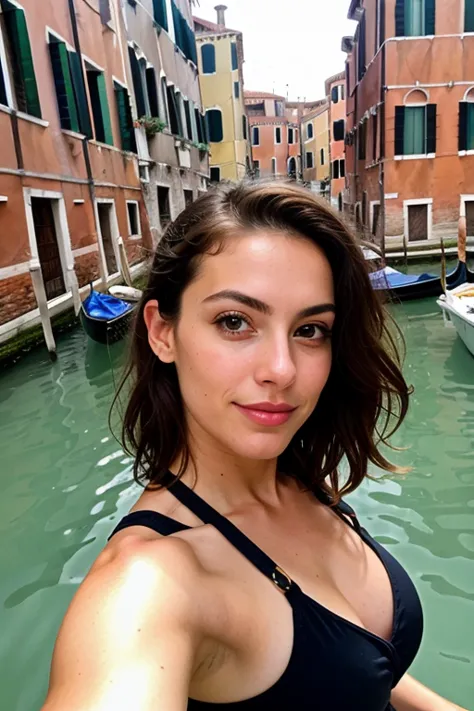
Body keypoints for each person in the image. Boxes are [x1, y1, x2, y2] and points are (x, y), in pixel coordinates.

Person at [42, 182, 469, 711]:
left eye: (311, 329)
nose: (282, 370)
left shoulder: (298, 477)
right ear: (162, 332)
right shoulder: (146, 586)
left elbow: (360, 670)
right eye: (235, 322)